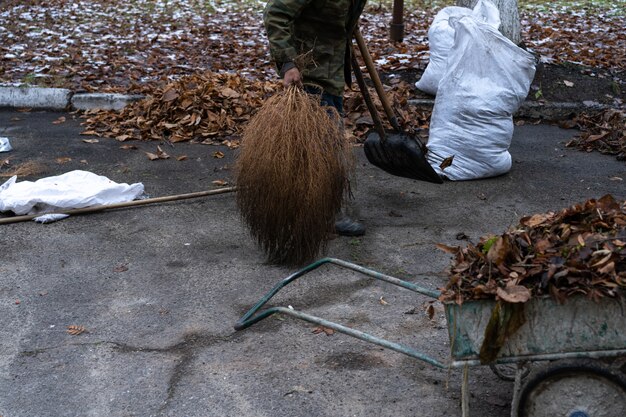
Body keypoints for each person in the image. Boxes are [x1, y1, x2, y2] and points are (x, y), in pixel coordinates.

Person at [263, 0, 368, 237]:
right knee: (323, 148)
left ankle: (311, 207)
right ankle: (324, 213)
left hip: (331, 73)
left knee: (325, 143)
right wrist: (288, 64)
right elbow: (276, 13)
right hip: (308, 73)